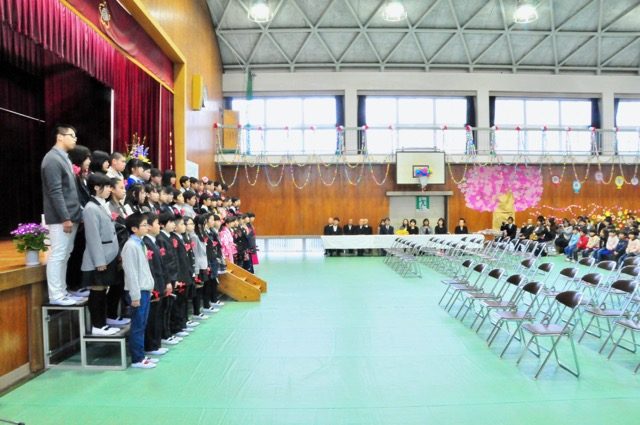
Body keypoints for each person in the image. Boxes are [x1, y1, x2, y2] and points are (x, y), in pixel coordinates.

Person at [41, 124, 83, 306]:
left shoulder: (63, 157)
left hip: (71, 215)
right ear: (60, 136)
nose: (75, 139)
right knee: (58, 254)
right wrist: (65, 217)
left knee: (65, 254)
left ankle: (63, 291)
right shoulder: (52, 159)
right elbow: (55, 192)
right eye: (71, 135)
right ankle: (56, 295)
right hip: (61, 218)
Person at [82, 173, 120, 335]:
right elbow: (93, 237)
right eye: (107, 187)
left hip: (109, 255)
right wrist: (99, 261)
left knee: (103, 289)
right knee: (97, 290)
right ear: (97, 187)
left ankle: (103, 323)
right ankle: (97, 325)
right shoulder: (90, 208)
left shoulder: (102, 205)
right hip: (99, 258)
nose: (110, 190)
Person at [121, 213, 156, 369]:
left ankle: (141, 354)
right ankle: (137, 359)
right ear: (134, 228)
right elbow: (131, 273)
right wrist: (135, 296)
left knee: (142, 324)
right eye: (144, 225)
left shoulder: (141, 244)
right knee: (138, 325)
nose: (147, 227)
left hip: (144, 289)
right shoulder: (130, 246)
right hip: (137, 291)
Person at [142, 213, 170, 357]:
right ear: (149, 226)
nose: (159, 226)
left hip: (159, 282)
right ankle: (150, 346)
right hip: (153, 285)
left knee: (157, 314)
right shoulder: (146, 243)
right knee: (152, 316)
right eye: (157, 223)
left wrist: (166, 281)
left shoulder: (154, 241)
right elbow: (151, 267)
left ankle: (156, 344)